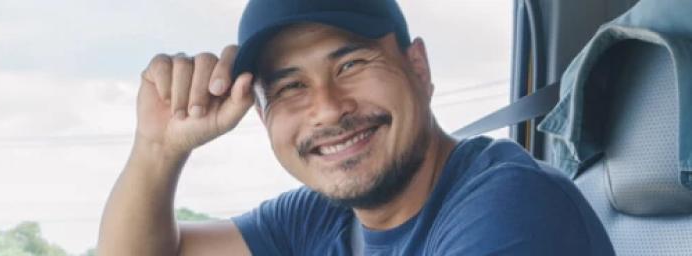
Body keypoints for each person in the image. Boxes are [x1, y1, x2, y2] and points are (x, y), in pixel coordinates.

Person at [96, 0, 614, 255]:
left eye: (351, 65)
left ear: (418, 68)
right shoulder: (317, 219)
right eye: (290, 87)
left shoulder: (511, 206)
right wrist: (158, 149)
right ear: (262, 115)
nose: (327, 108)